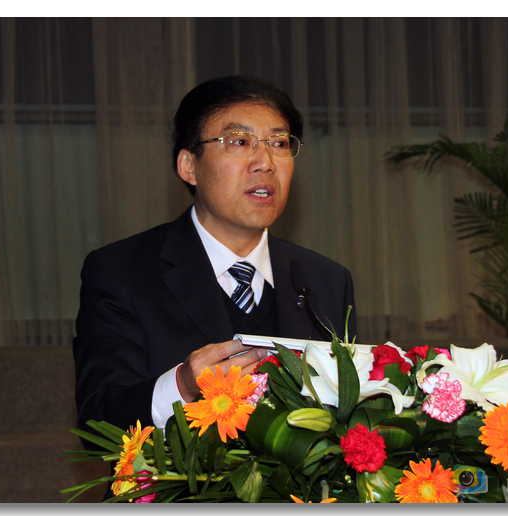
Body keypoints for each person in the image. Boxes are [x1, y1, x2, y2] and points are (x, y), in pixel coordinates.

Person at [73, 76, 356, 438]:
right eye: (239, 141)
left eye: (280, 143)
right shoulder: (122, 272)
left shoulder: (325, 279)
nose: (265, 162)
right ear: (189, 166)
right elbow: (99, 424)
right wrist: (182, 386)